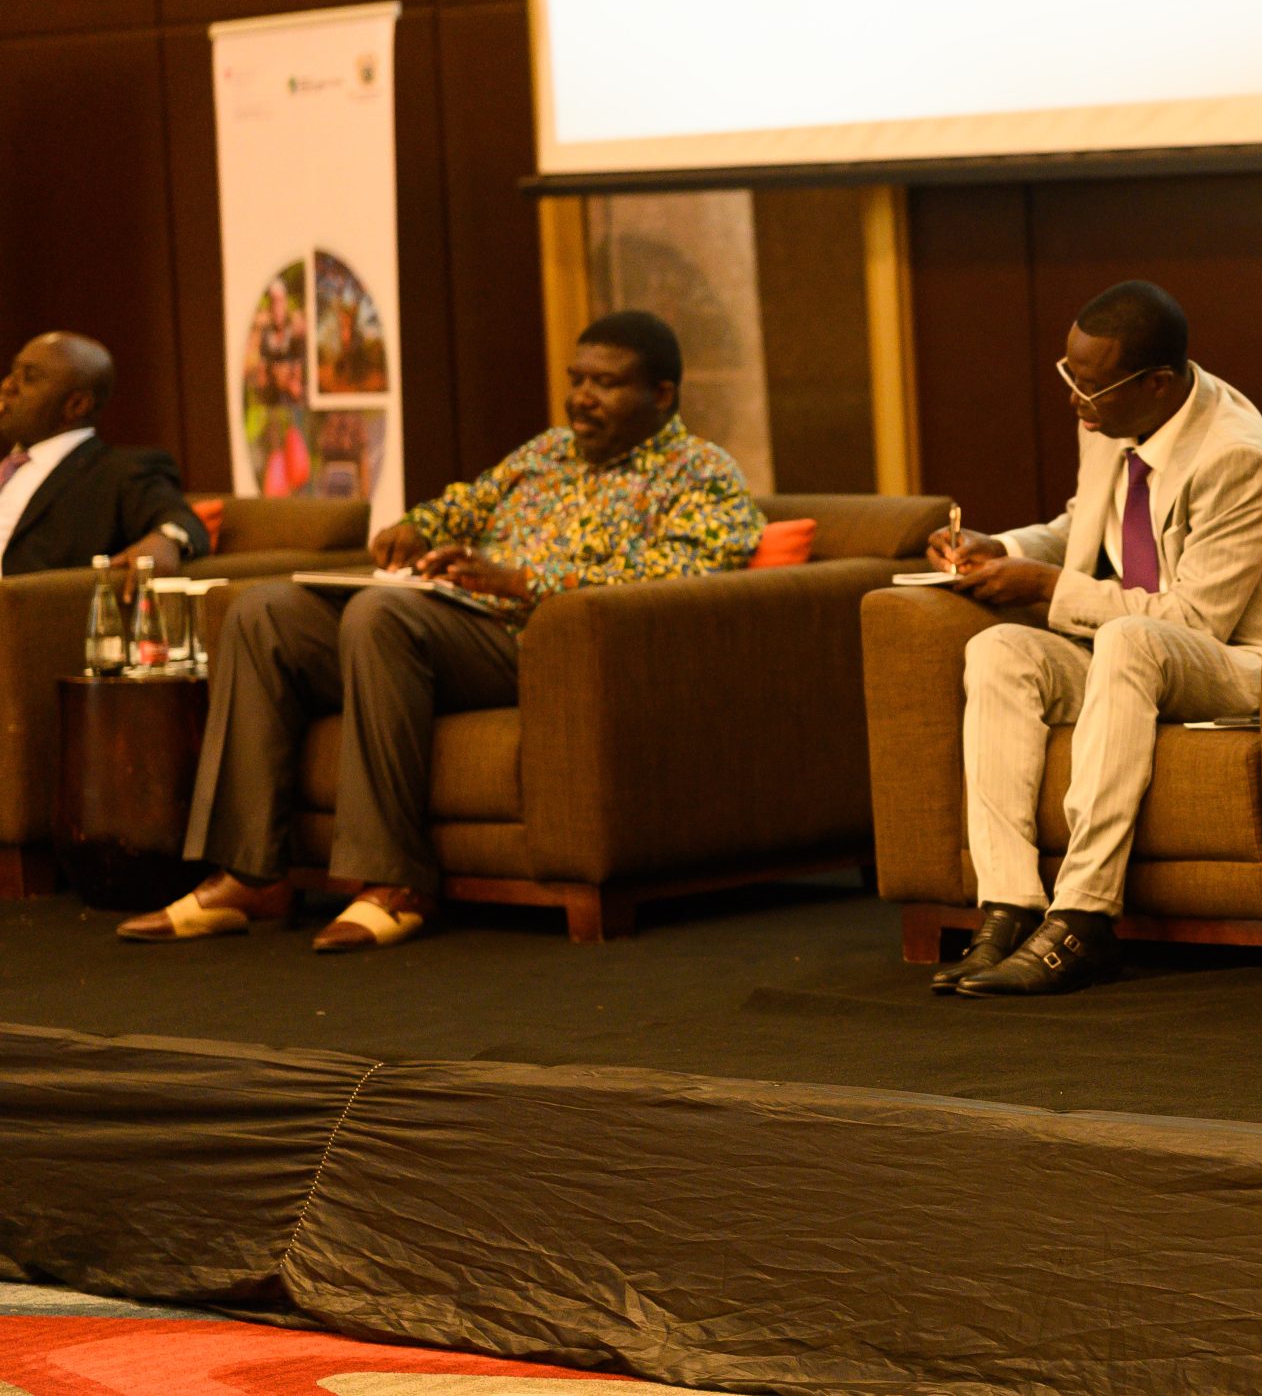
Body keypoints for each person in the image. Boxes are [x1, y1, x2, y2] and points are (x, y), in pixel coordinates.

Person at [119, 311, 764, 953]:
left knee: (381, 617)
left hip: (539, 643)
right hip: (450, 619)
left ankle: (394, 882)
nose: (581, 398)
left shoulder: (702, 474)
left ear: (662, 395)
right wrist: (417, 528)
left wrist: (523, 581)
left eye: (606, 384)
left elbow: (687, 573)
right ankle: (250, 875)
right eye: (577, 380)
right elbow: (462, 504)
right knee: (262, 612)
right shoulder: (548, 451)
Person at [926, 281, 1262, 997]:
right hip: (1140, 654)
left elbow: (1193, 623)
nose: (1075, 398)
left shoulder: (1238, 457)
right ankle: (1010, 906)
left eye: (1092, 386)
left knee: (1131, 639)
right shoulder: (1110, 420)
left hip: (1245, 659)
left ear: (1157, 383)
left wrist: (1046, 587)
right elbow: (1087, 521)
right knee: (998, 650)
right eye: (1069, 375)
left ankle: (1084, 916)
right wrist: (1003, 547)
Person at [0, 332, 206, 576]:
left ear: (77, 405)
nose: (8, 385)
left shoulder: (121, 471)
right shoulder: (9, 467)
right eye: (13, 372)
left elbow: (180, 520)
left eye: (29, 377)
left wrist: (167, 539)